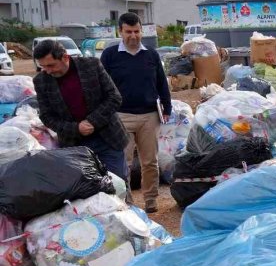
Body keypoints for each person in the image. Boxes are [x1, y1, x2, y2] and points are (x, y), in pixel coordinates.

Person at [100, 12, 172, 213]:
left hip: (149, 116)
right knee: (124, 163)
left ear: (142, 31)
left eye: (137, 31)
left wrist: (167, 107)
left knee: (150, 162)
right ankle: (127, 202)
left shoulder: (151, 54)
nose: (133, 35)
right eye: (128, 32)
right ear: (120, 32)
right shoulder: (110, 55)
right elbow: (101, 85)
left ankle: (151, 200)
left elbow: (161, 83)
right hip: (121, 116)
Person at [33, 39, 129, 180]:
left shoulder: (91, 65)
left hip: (107, 139)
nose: (47, 71)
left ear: (65, 57)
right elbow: (46, 117)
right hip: (74, 145)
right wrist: (76, 128)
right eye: (43, 66)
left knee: (118, 184)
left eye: (51, 65)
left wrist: (92, 122)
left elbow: (114, 97)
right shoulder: (41, 81)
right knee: (84, 190)